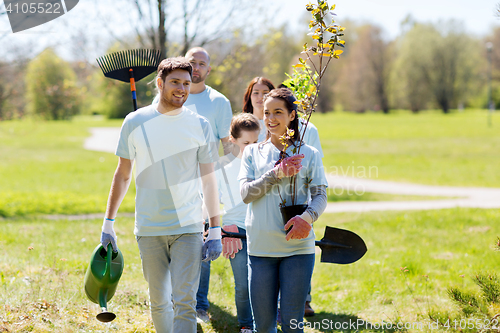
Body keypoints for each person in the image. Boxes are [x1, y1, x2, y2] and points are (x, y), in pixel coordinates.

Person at [100, 57, 222, 333]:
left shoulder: (200, 125)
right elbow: (122, 174)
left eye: (187, 84)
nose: (181, 88)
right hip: (149, 226)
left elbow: (209, 180)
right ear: (159, 83)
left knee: (185, 302)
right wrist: (108, 223)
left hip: (188, 226)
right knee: (158, 302)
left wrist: (215, 228)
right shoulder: (135, 121)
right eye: (175, 82)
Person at [238, 88, 328, 332]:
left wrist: (307, 218)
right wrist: (276, 173)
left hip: (298, 248)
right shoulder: (252, 153)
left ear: (292, 115)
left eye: (278, 112)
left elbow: (320, 194)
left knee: (292, 323)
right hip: (261, 249)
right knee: (264, 325)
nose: (271, 118)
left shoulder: (309, 153)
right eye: (267, 112)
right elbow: (246, 194)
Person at [217, 113, 261, 333]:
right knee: (243, 284)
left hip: (262, 229)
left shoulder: (265, 164)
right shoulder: (222, 168)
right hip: (235, 231)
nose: (251, 148)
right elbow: (210, 202)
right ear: (232, 140)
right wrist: (225, 228)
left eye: (255, 142)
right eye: (246, 143)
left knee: (263, 285)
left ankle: (266, 323)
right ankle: (246, 325)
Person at [242, 77, 275, 142]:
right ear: (249, 96)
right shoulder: (241, 125)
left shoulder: (277, 124)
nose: (260, 97)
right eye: (256, 93)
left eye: (265, 93)